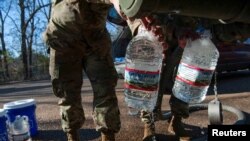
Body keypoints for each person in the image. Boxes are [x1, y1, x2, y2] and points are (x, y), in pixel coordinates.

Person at [42, 0, 123, 140]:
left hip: (96, 38)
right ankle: (72, 135)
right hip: (63, 37)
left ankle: (108, 135)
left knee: (106, 89)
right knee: (67, 92)